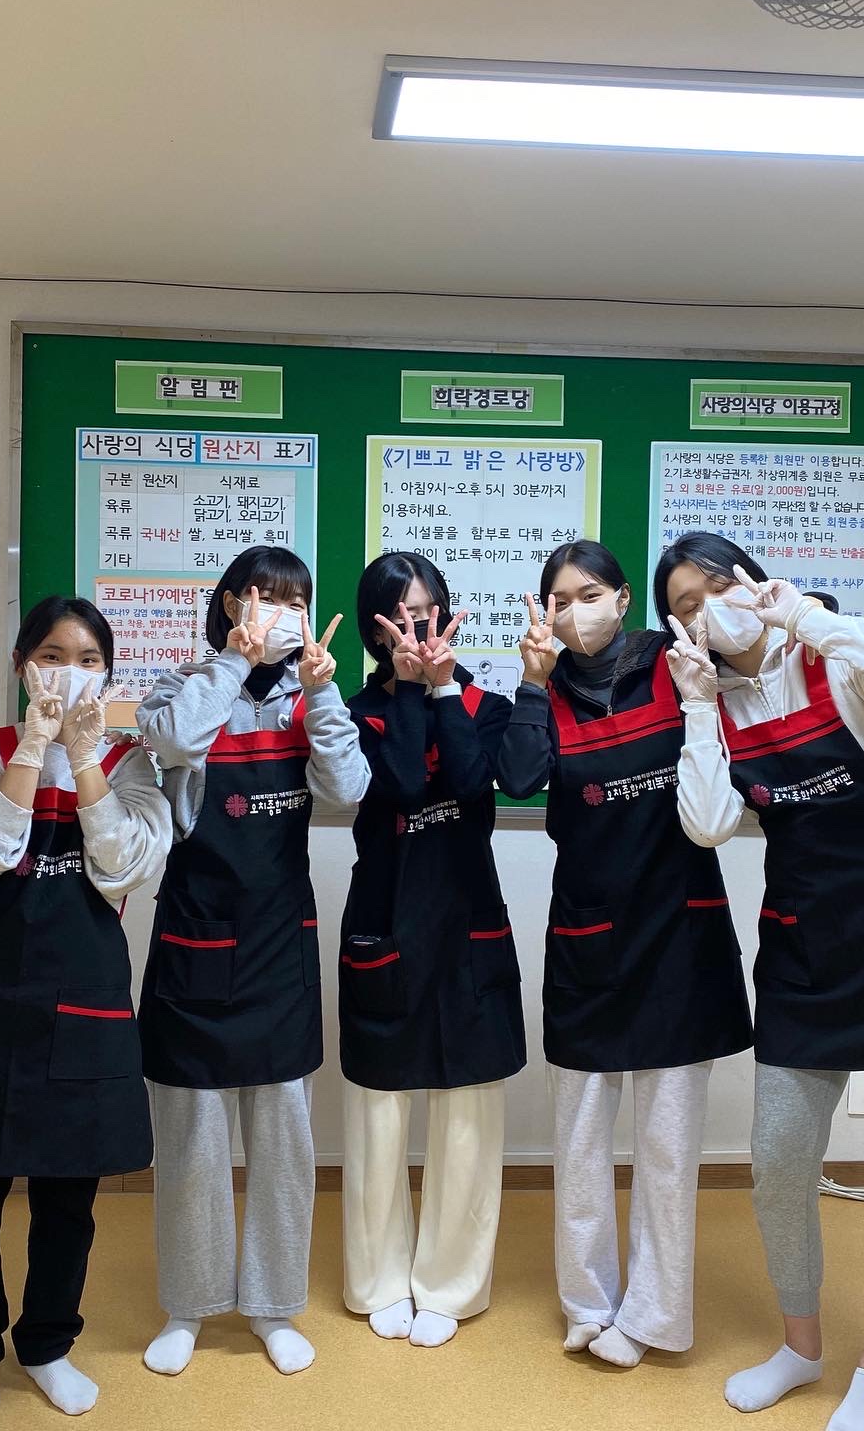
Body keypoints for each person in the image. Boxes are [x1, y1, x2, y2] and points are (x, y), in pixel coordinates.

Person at [659, 532, 864, 1431]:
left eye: (717, 587)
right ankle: (801, 1347)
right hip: (806, 952)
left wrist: (802, 615)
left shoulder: (835, 660)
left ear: (753, 583)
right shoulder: (716, 704)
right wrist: (696, 709)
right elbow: (708, 824)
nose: (707, 610)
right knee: (778, 1162)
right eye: (684, 606)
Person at [496, 539, 751, 1369]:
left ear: (623, 597)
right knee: (578, 1140)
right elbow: (519, 779)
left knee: (668, 1149)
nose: (577, 612)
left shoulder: (674, 665)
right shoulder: (545, 691)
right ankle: (588, 1303)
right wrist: (530, 681)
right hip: (589, 938)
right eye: (560, 600)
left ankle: (654, 1315)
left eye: (590, 594)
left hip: (678, 933)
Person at [0, 596, 171, 1425]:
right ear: (21, 666)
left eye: (89, 659)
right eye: (53, 656)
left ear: (109, 674)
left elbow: (124, 865)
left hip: (84, 1002)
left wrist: (84, 756)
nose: (71, 673)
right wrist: (33, 747)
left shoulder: (131, 762)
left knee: (69, 1195)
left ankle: (47, 1344)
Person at [136, 545, 369, 1378]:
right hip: (193, 944)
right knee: (192, 1145)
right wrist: (234, 662)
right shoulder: (182, 686)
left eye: (294, 601)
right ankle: (188, 1306)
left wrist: (322, 691)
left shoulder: (309, 697)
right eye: (264, 598)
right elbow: (172, 742)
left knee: (283, 1146)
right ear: (232, 603)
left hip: (277, 948)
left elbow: (347, 790)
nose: (280, 613)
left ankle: (273, 1307)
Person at [339, 551, 524, 1348]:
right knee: (378, 1117)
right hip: (383, 922)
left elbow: (477, 786)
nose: (416, 625)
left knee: (467, 1118)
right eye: (399, 613)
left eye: (428, 609)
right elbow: (406, 784)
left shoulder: (485, 704)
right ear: (375, 626)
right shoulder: (350, 714)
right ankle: (378, 1279)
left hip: (468, 924)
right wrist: (411, 689)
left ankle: (450, 1285)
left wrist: (443, 689)